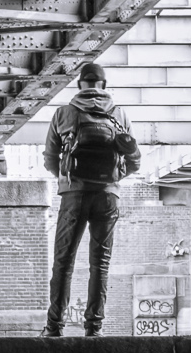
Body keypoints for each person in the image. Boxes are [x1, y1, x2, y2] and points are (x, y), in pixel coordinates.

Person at [43, 61, 140, 337]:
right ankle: (94, 327)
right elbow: (135, 161)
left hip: (74, 194)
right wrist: (113, 179)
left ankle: (54, 327)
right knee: (100, 263)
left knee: (64, 261)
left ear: (79, 86)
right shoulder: (119, 115)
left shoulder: (64, 113)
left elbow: (50, 158)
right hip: (107, 197)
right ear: (104, 86)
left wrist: (66, 179)